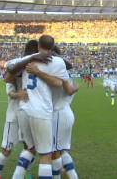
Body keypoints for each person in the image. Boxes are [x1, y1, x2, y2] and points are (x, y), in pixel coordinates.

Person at [8, 35, 69, 179]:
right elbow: (59, 83)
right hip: (40, 111)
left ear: (39, 45)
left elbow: (9, 70)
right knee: (46, 155)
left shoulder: (27, 59)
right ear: (53, 46)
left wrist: (29, 60)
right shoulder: (57, 61)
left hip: (23, 110)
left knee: (30, 149)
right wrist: (39, 71)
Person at [26, 45, 80, 179]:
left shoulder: (55, 75)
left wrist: (38, 71)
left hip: (58, 114)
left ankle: (63, 175)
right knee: (60, 151)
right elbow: (69, 88)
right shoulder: (63, 73)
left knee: (53, 152)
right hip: (65, 112)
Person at [0, 40, 41, 179]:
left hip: (28, 113)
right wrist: (18, 94)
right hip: (13, 115)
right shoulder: (14, 66)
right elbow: (9, 91)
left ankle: (26, 173)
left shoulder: (33, 68)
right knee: (6, 149)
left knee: (30, 148)